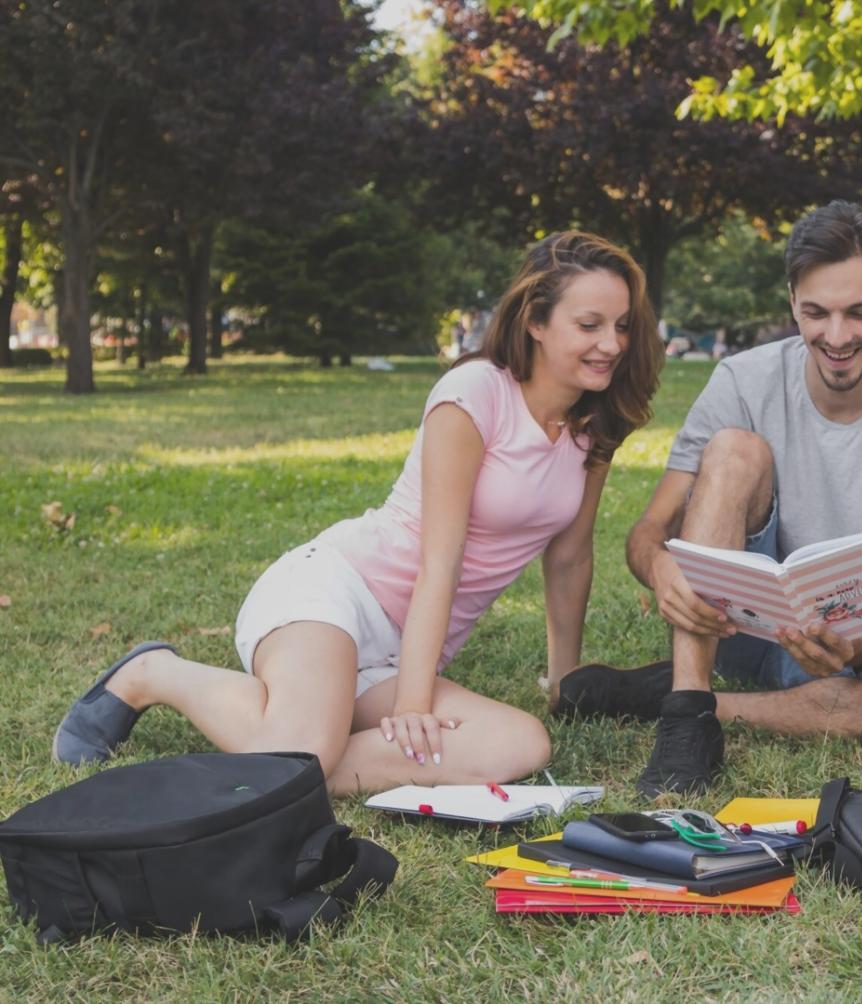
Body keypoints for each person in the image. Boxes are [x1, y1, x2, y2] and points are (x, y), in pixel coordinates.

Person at [53, 232, 663, 795]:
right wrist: (414, 706)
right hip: (335, 597)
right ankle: (156, 674)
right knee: (303, 752)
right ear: (534, 321)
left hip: (400, 653)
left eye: (622, 326)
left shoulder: (594, 422)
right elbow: (440, 561)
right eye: (589, 325)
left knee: (520, 743)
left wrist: (564, 681)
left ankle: (289, 760)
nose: (611, 344)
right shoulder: (476, 393)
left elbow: (569, 555)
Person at [556, 201, 862, 796]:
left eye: (859, 313)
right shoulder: (742, 379)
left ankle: (677, 697)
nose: (836, 337)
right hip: (732, 627)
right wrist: (661, 569)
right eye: (816, 313)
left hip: (847, 648)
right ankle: (687, 717)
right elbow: (648, 532)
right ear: (792, 303)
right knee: (735, 449)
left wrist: (850, 644)